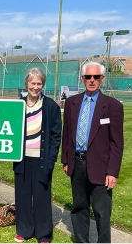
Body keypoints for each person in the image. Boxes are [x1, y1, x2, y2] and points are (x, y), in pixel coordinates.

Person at [61, 62, 124, 243]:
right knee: (79, 207)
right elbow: (67, 134)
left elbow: (117, 143)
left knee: (101, 212)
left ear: (102, 79)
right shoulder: (72, 102)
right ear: (82, 78)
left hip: (101, 166)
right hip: (77, 164)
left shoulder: (112, 106)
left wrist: (112, 171)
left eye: (96, 77)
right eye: (88, 77)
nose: (91, 80)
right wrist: (66, 160)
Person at [13, 67, 62, 243]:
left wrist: (52, 159)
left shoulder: (50, 106)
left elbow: (56, 135)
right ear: (26, 84)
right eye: (32, 83)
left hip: (42, 160)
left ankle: (43, 234)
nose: (35, 87)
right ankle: (24, 230)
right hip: (22, 160)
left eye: (39, 83)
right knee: (23, 196)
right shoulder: (18, 104)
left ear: (43, 85)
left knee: (42, 197)